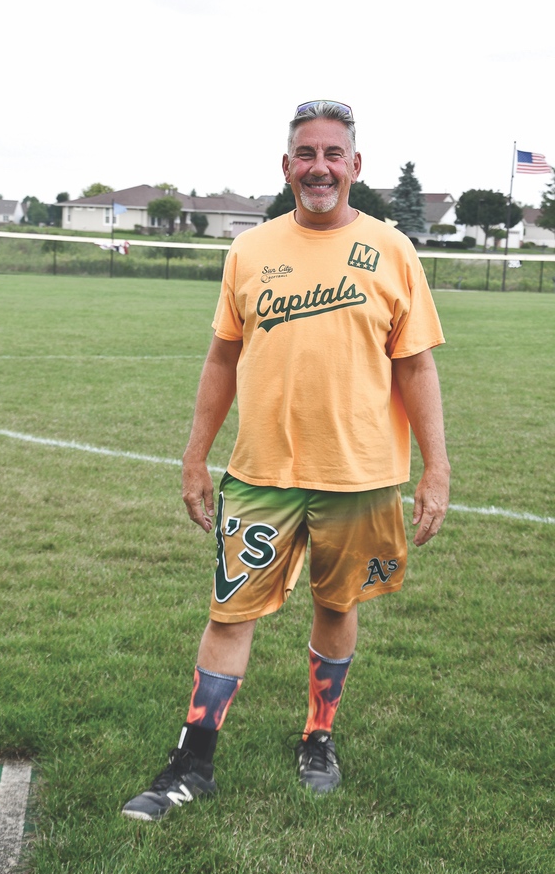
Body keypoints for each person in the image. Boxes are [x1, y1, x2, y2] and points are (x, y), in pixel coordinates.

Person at [122, 100, 450, 821]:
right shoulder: (250, 251)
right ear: (287, 166)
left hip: (360, 474)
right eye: (307, 153)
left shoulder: (393, 251)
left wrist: (436, 469)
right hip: (262, 472)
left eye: (334, 153)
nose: (320, 167)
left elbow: (417, 368)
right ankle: (192, 762)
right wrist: (194, 455)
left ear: (355, 166)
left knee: (337, 604)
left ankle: (318, 737)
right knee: (229, 613)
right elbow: (221, 357)